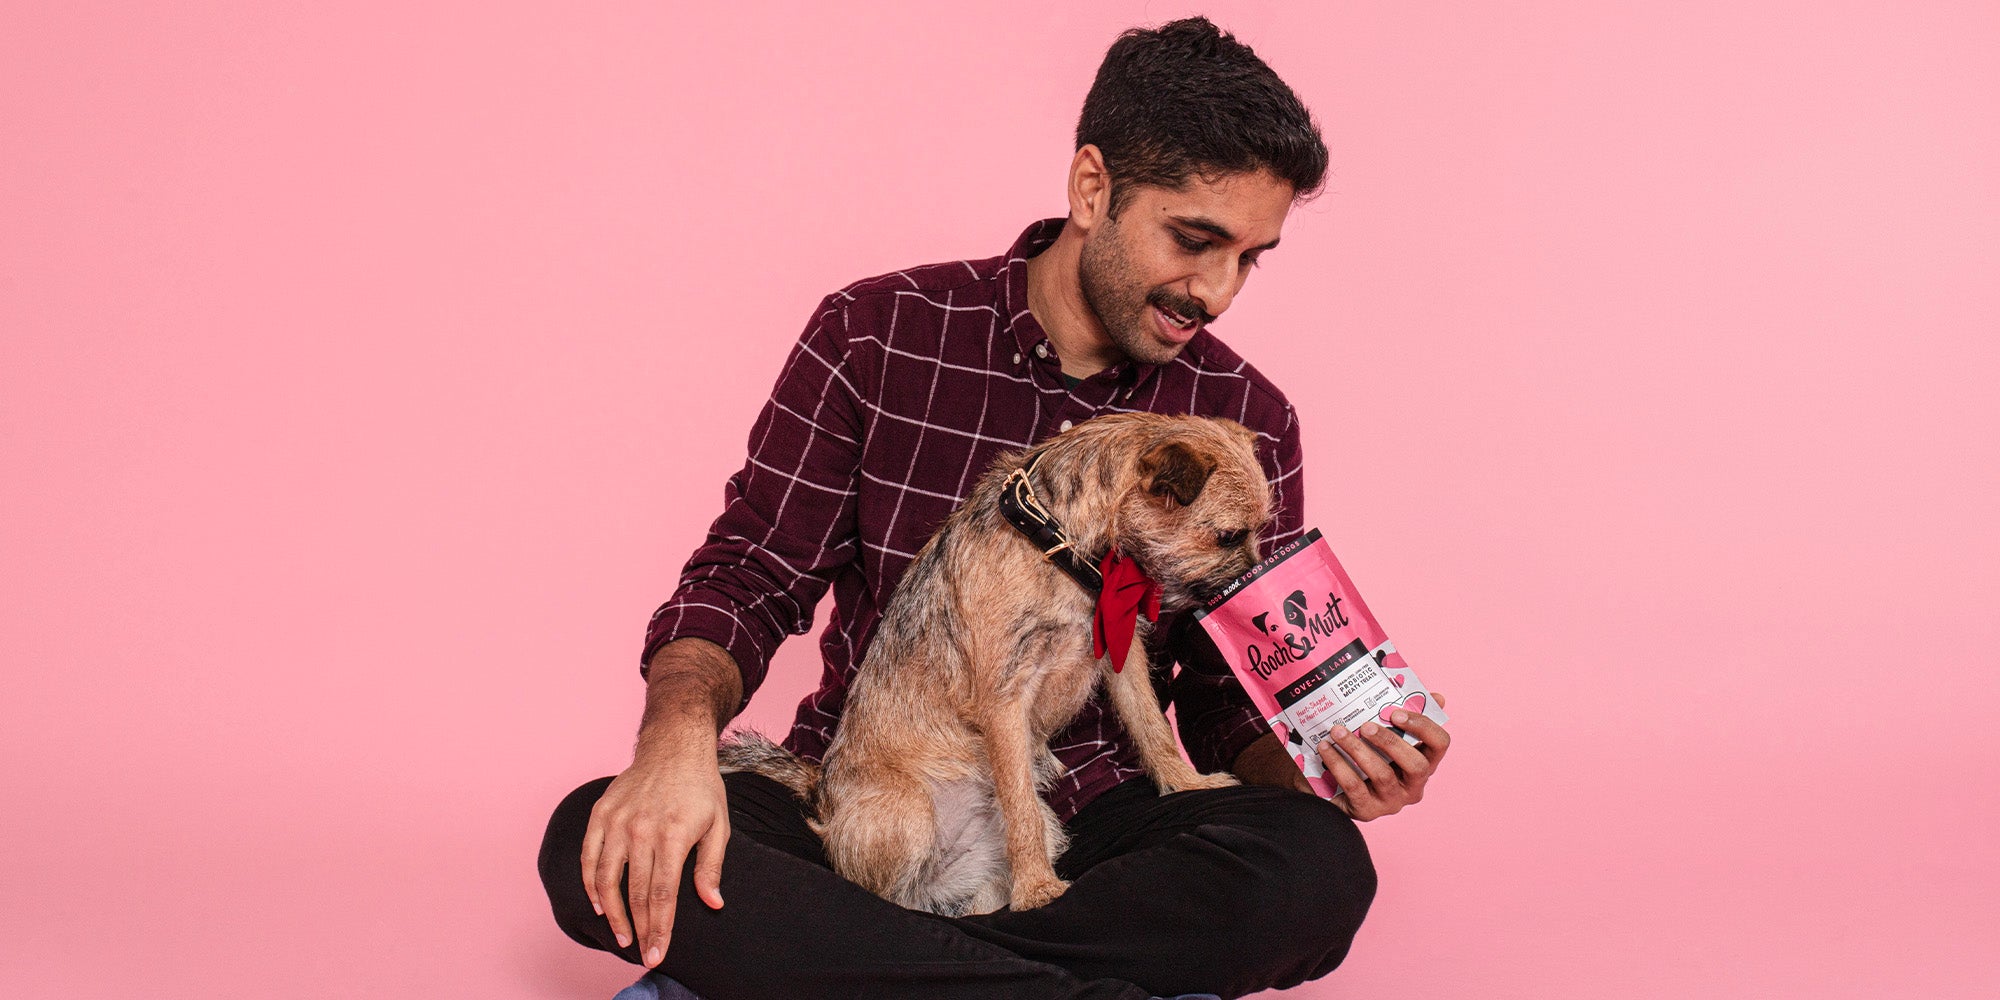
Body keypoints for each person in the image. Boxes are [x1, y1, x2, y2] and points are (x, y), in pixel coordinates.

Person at [537, 17, 1452, 1000]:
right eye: (1193, 240)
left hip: (1096, 822)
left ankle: (862, 968)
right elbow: (749, 576)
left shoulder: (1243, 419)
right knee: (595, 837)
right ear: (1091, 189)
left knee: (1313, 871)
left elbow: (1224, 698)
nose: (1216, 292)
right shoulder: (876, 335)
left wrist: (1330, 763)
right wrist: (672, 748)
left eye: (1249, 256)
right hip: (881, 797)